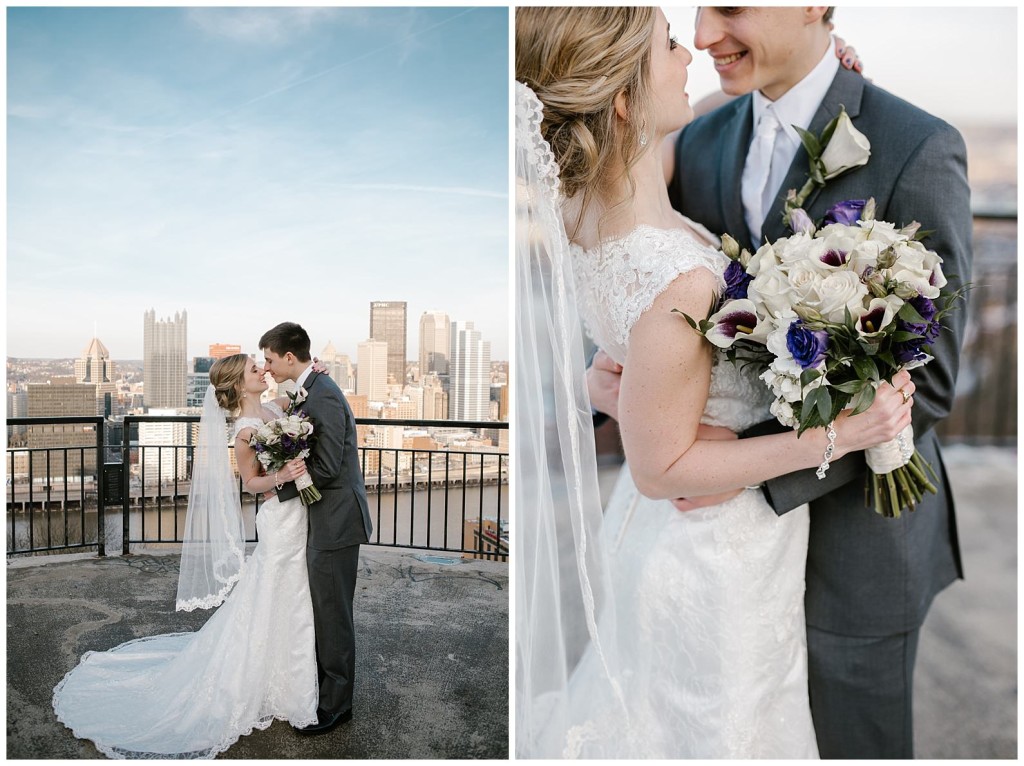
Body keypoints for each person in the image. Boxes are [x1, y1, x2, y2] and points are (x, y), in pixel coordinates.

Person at [515, 7, 917, 759]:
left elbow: (689, 115)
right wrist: (841, 432)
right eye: (669, 43)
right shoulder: (679, 277)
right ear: (625, 101)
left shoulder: (583, 206)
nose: (690, 50)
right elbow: (662, 467)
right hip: (710, 558)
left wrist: (817, 69)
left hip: (661, 540)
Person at [53, 353, 318, 758]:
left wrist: (315, 373)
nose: (263, 371)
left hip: (292, 516)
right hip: (278, 519)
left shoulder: (270, 408)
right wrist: (284, 474)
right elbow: (250, 483)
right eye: (254, 369)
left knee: (287, 594)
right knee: (277, 591)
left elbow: (296, 397)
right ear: (236, 385)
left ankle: (284, 678)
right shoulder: (246, 431)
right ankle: (274, 684)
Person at [260, 321, 373, 735]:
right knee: (322, 612)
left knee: (333, 616)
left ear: (290, 357)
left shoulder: (323, 397)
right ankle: (324, 692)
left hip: (336, 522)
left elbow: (325, 468)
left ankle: (337, 707)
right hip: (325, 520)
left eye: (270, 360)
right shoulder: (311, 389)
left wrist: (278, 491)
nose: (267, 367)